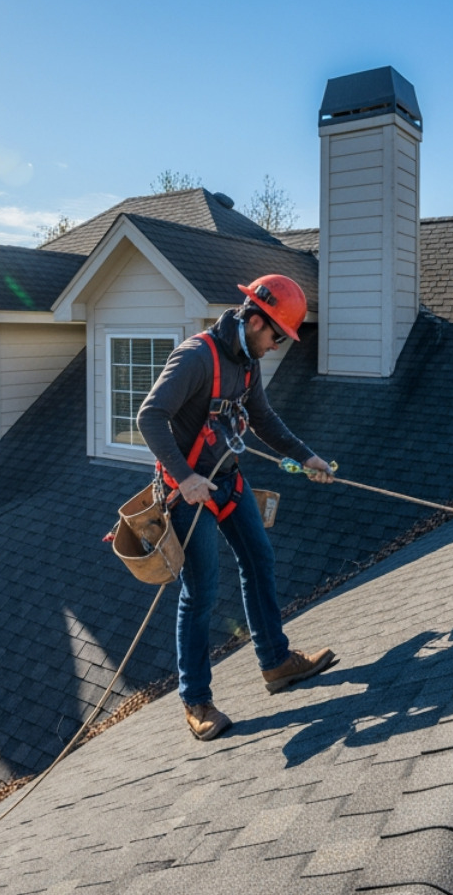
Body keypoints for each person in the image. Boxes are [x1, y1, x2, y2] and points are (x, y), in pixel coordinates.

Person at [137, 273, 337, 741]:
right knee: (202, 590)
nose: (275, 345)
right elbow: (149, 416)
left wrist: (304, 456)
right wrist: (185, 480)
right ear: (253, 318)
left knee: (259, 559)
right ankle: (196, 702)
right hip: (188, 492)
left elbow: (262, 417)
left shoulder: (247, 363)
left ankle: (276, 662)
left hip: (228, 482)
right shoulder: (196, 356)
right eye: (274, 335)